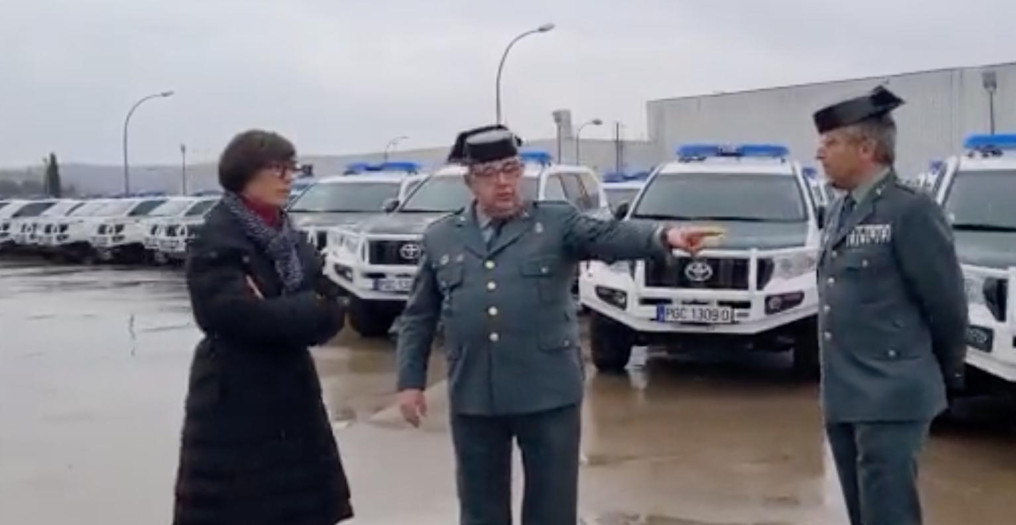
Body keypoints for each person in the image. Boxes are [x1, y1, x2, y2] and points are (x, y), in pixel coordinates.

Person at [395, 124, 720, 525]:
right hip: (476, 392)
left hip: (547, 392)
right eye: (489, 174)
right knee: (480, 509)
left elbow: (609, 234)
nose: (503, 183)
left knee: (552, 509)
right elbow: (419, 315)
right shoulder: (442, 237)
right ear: (470, 182)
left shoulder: (556, 222)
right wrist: (409, 382)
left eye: (511, 170)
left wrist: (664, 236)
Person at [173, 130, 353, 525]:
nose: (289, 178)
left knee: (301, 511)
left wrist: (286, 309)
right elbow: (231, 316)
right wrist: (305, 308)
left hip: (295, 399)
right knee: (241, 511)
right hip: (234, 402)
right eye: (277, 169)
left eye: (292, 168)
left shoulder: (291, 238)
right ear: (244, 174)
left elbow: (334, 309)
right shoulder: (218, 238)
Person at [813, 87, 967, 525]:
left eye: (831, 143)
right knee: (863, 514)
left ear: (866, 149)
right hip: (844, 394)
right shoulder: (841, 210)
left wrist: (944, 373)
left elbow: (946, 304)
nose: (819, 153)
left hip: (892, 394)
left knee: (889, 513)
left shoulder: (910, 211)